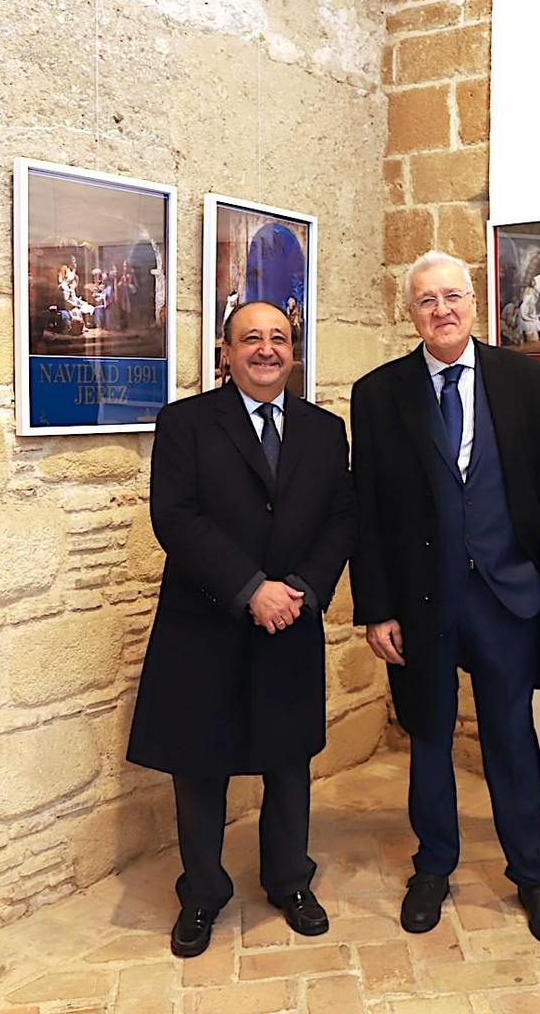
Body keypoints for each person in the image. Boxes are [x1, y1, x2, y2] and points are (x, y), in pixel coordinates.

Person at [350, 250, 540, 944]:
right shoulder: (378, 392)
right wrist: (375, 606)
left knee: (511, 736)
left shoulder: (521, 378)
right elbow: (368, 509)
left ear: (475, 303)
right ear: (409, 312)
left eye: (452, 296)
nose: (441, 310)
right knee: (428, 735)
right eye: (426, 300)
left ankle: (533, 874)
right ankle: (433, 865)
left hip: (504, 592)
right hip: (421, 601)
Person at [126, 301, 356, 958]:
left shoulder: (324, 429)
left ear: (293, 352)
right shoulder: (186, 424)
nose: (266, 349)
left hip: (292, 620)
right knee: (200, 765)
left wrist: (302, 591)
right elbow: (175, 518)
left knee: (288, 760)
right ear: (225, 352)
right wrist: (250, 588)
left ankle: (290, 880)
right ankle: (201, 892)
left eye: (278, 339)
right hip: (207, 620)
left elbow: (343, 517)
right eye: (250, 338)